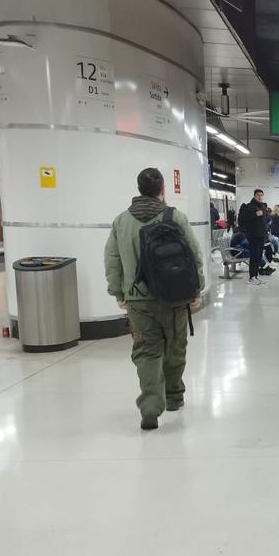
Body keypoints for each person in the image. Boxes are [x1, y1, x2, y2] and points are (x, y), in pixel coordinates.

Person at [104, 167, 203, 431]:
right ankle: (173, 396)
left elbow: (112, 259)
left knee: (147, 350)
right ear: (162, 190)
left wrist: (118, 291)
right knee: (175, 346)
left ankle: (150, 405)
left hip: (137, 299)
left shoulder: (121, 221)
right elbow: (194, 254)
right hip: (174, 295)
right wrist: (196, 290)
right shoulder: (175, 217)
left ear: (138, 190)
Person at [237, 189, 270, 286]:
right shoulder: (248, 207)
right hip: (253, 236)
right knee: (254, 257)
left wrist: (266, 230)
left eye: (261, 195)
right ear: (254, 196)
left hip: (261, 236)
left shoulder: (263, 206)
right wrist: (255, 215)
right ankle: (251, 277)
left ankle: (256, 276)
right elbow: (242, 220)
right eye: (258, 195)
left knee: (259, 256)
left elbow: (264, 221)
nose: (260, 197)